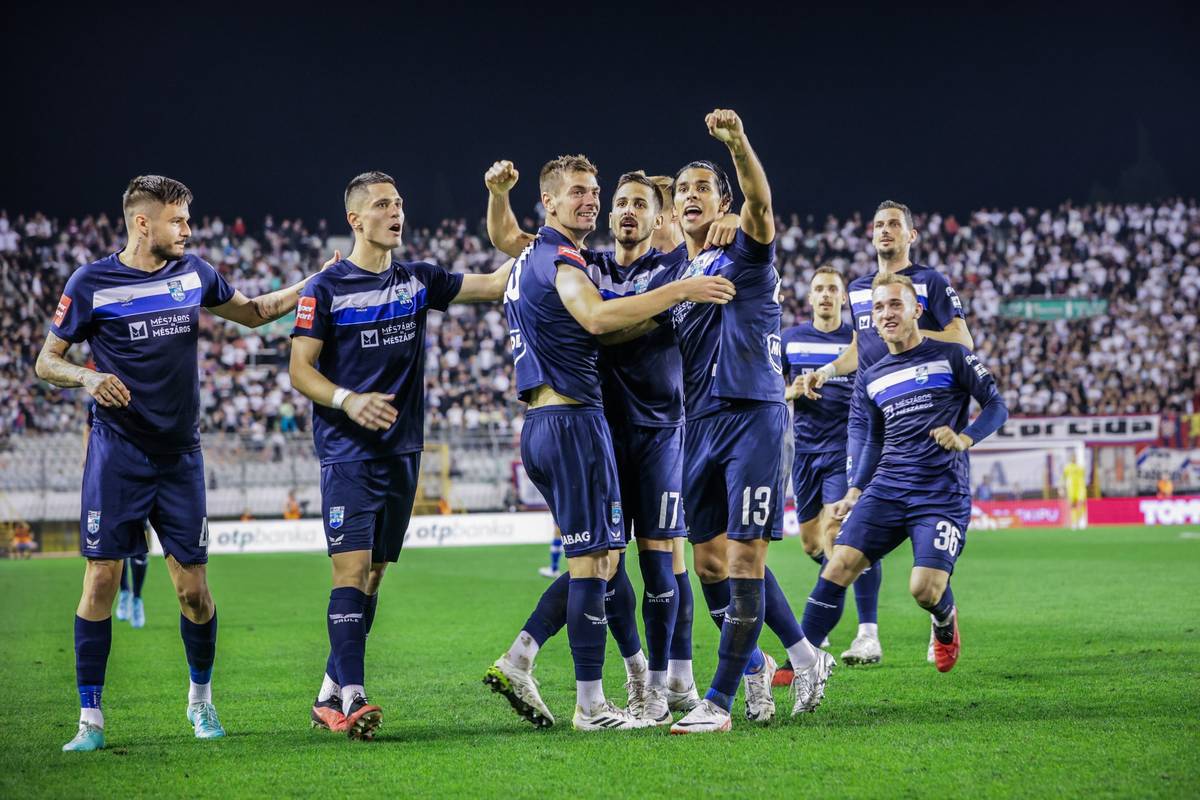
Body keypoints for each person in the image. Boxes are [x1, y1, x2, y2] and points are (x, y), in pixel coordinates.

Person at [37, 174, 329, 752]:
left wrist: (315, 282)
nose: (188, 231)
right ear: (143, 223)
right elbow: (48, 360)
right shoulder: (91, 282)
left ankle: (201, 703)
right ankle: (89, 721)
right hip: (117, 453)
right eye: (178, 220)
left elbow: (252, 312)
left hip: (179, 458)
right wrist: (88, 376)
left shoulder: (192, 273)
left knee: (194, 591)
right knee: (100, 579)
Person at [482, 154, 735, 732]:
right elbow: (514, 244)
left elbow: (741, 237)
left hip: (657, 429)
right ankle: (614, 689)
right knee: (601, 561)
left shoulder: (675, 263)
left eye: (635, 203)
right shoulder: (584, 263)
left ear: (659, 219)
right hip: (593, 427)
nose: (617, 209)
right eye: (612, 200)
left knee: (656, 561)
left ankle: (671, 678)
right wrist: (499, 195)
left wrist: (732, 217)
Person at [288, 170, 514, 740]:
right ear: (355, 219)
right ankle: (356, 694)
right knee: (351, 570)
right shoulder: (325, 288)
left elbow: (492, 284)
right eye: (384, 205)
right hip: (347, 453)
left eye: (400, 203)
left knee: (376, 575)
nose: (397, 213)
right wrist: (348, 401)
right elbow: (299, 369)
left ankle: (328, 691)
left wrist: (540, 232)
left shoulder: (419, 281)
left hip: (402, 453)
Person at [632, 110, 829, 734]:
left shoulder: (742, 250)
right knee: (712, 562)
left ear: (723, 203)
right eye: (683, 190)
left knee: (746, 560)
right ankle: (801, 656)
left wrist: (737, 145)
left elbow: (763, 205)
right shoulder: (676, 276)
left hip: (753, 415)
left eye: (702, 189)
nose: (691, 197)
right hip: (701, 425)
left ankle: (719, 699)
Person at [797, 273, 1008, 687]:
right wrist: (855, 490)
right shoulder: (874, 375)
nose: (887, 313)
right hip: (888, 488)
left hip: (940, 493)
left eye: (896, 304)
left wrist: (965, 437)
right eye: (878, 307)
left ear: (916, 310)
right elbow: (874, 439)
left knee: (923, 590)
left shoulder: (953, 356)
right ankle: (799, 661)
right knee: (837, 561)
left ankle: (945, 617)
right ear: (870, 318)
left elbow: (996, 406)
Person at [799, 200, 973, 662]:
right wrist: (828, 370)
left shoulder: (931, 282)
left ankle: (884, 626)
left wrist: (907, 337)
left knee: (913, 578)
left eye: (894, 224)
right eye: (878, 224)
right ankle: (818, 651)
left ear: (911, 235)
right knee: (833, 538)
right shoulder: (860, 289)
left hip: (914, 416)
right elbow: (861, 346)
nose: (884, 231)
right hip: (866, 412)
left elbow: (963, 340)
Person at [777, 266, 883, 678]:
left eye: (832, 290)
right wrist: (794, 390)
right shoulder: (790, 339)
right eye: (818, 289)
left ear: (843, 299)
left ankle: (863, 630)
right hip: (803, 453)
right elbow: (772, 388)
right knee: (812, 543)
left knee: (839, 535)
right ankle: (829, 599)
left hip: (844, 451)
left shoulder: (855, 343)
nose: (825, 295)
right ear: (810, 297)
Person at [1063, 454, 1089, 529]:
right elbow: (1063, 477)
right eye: (1072, 457)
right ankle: (1074, 523)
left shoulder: (1080, 467)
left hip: (1080, 488)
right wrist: (1062, 488)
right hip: (1071, 488)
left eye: (1074, 457)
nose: (1073, 458)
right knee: (1073, 505)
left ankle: (1079, 520)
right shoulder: (1067, 468)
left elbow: (1083, 477)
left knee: (1081, 504)